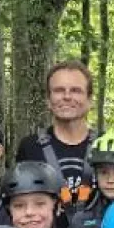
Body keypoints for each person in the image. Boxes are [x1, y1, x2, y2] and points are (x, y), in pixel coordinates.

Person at [15, 60, 99, 210]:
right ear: (48, 100)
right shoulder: (30, 147)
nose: (67, 96)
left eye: (76, 90)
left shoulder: (105, 145)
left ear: (89, 100)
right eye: (59, 90)